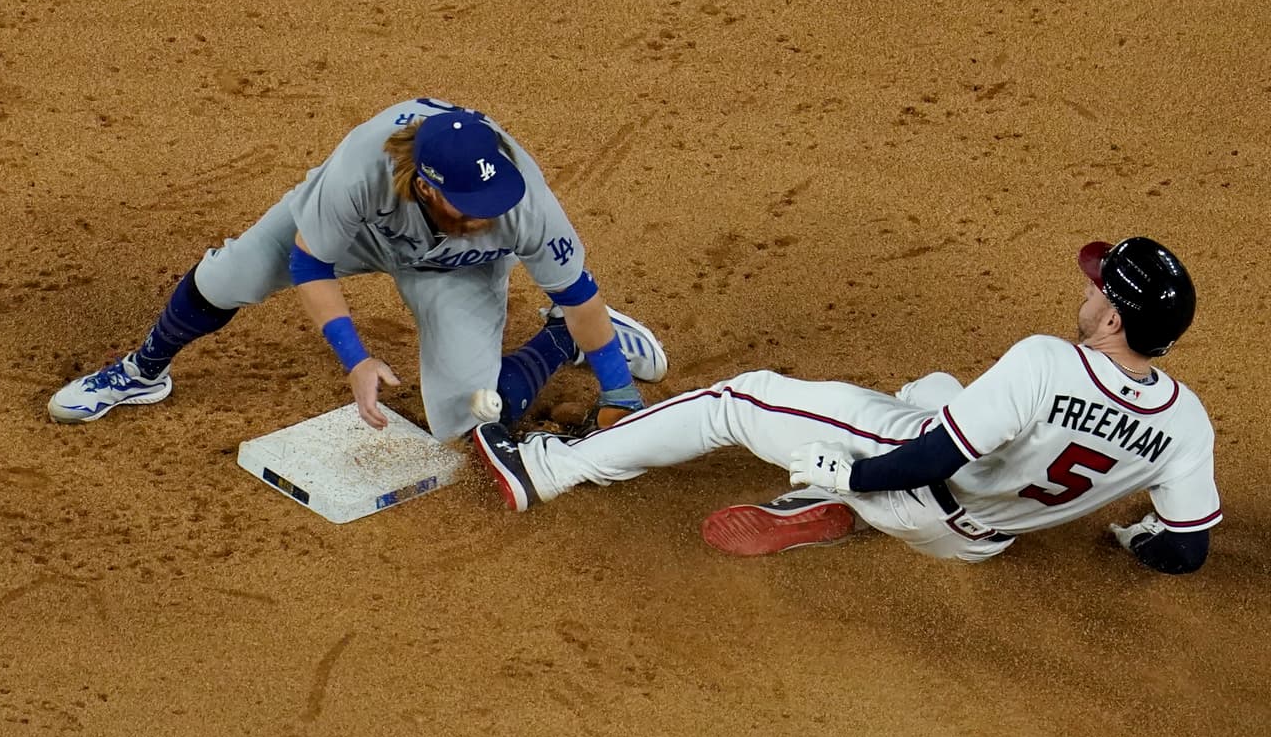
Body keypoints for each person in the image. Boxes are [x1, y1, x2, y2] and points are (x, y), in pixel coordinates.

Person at [471, 238, 1220, 574]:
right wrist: (1135, 538)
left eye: (1098, 287)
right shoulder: (1186, 424)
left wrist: (852, 479)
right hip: (980, 542)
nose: (1086, 291)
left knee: (742, 399)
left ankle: (547, 469)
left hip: (908, 478)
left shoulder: (1047, 361)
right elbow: (1184, 551)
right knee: (934, 388)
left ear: (1114, 319)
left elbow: (936, 455)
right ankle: (821, 506)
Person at [48, 97, 668, 440]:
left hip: (455, 268)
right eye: (468, 205)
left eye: (493, 203)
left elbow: (580, 292)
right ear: (424, 185)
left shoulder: (521, 202)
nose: (486, 215)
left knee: (466, 419)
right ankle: (141, 373)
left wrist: (619, 393)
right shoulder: (359, 169)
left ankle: (557, 339)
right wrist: (355, 357)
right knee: (230, 275)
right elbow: (310, 259)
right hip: (362, 235)